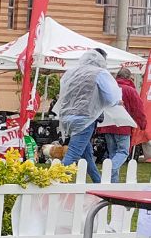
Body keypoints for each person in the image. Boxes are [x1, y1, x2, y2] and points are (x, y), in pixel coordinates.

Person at [55, 48, 122, 183]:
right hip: (85, 118)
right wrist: (118, 101)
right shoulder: (100, 73)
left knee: (87, 155)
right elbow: (110, 97)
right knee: (74, 153)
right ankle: (53, 181)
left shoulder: (73, 72)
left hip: (68, 117)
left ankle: (99, 183)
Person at [96, 66, 147, 182]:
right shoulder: (130, 90)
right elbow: (138, 110)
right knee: (123, 152)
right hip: (123, 126)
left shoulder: (109, 88)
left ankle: (113, 183)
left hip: (107, 125)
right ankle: (109, 168)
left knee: (113, 153)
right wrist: (142, 124)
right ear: (129, 78)